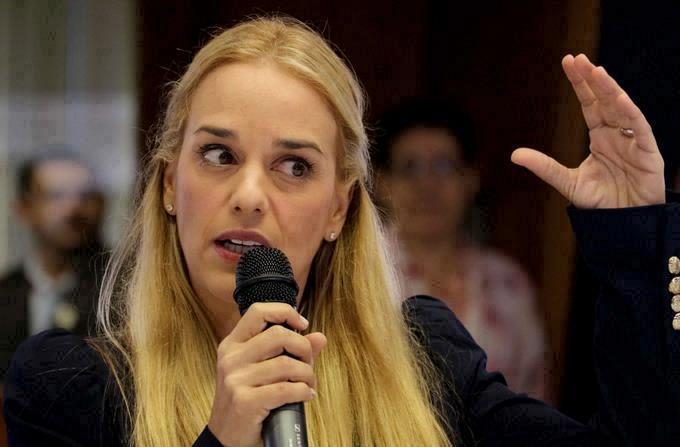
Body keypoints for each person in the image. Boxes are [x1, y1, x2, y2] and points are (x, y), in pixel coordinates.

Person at [2, 16, 678, 447]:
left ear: (338, 208)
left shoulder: (426, 358)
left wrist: (629, 237)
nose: (249, 195)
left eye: (294, 165)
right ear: (169, 185)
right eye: (218, 154)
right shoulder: (67, 388)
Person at [374, 98, 550, 401]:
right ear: (382, 183)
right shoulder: (359, 272)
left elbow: (536, 396)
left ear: (470, 179)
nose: (427, 186)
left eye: (443, 166)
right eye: (409, 168)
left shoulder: (509, 282)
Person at [0, 150, 107, 383]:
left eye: (85, 196)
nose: (73, 208)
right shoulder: (5, 294)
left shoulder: (116, 290)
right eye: (56, 196)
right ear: (24, 208)